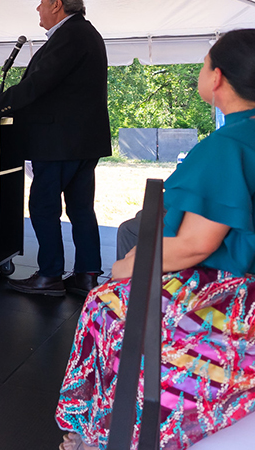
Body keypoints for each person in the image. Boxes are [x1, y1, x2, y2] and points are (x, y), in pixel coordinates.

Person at [55, 28, 255, 450]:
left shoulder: (228, 145)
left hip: (233, 294)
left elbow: (197, 244)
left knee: (101, 306)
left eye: (203, 65)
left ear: (217, 78)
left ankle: (101, 429)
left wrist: (127, 267)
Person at [0, 0, 110, 297]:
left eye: (42, 2)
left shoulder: (70, 35)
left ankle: (49, 275)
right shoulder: (86, 34)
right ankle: (87, 274)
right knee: (80, 208)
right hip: (82, 142)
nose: (38, 8)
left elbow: (39, 83)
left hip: (60, 142)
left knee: (43, 205)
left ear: (57, 5)